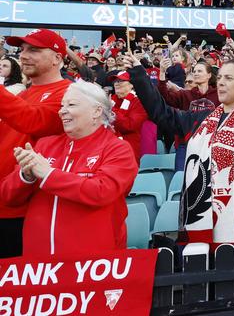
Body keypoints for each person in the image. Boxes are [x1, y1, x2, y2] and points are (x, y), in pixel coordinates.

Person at [123, 31, 234, 264]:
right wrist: (138, 74)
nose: (222, 82)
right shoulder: (200, 118)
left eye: (230, 78)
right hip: (200, 216)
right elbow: (160, 112)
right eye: (221, 77)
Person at [0, 81, 138, 256]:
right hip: (39, 266)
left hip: (92, 264)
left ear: (97, 111)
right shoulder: (45, 144)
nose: (62, 111)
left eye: (71, 105)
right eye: (62, 105)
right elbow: (8, 196)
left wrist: (49, 174)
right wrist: (25, 175)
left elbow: (102, 191)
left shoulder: (118, 149)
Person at [0, 29, 71, 258]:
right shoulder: (22, 95)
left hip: (25, 208)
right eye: (22, 50)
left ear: (57, 58)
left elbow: (35, 121)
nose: (23, 55)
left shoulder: (69, 93)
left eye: (34, 50)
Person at [111, 71, 149, 163]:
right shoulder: (112, 100)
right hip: (110, 148)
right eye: (115, 81)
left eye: (121, 81)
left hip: (129, 150)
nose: (117, 83)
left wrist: (112, 112)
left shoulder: (139, 102)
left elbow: (130, 125)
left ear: (131, 84)